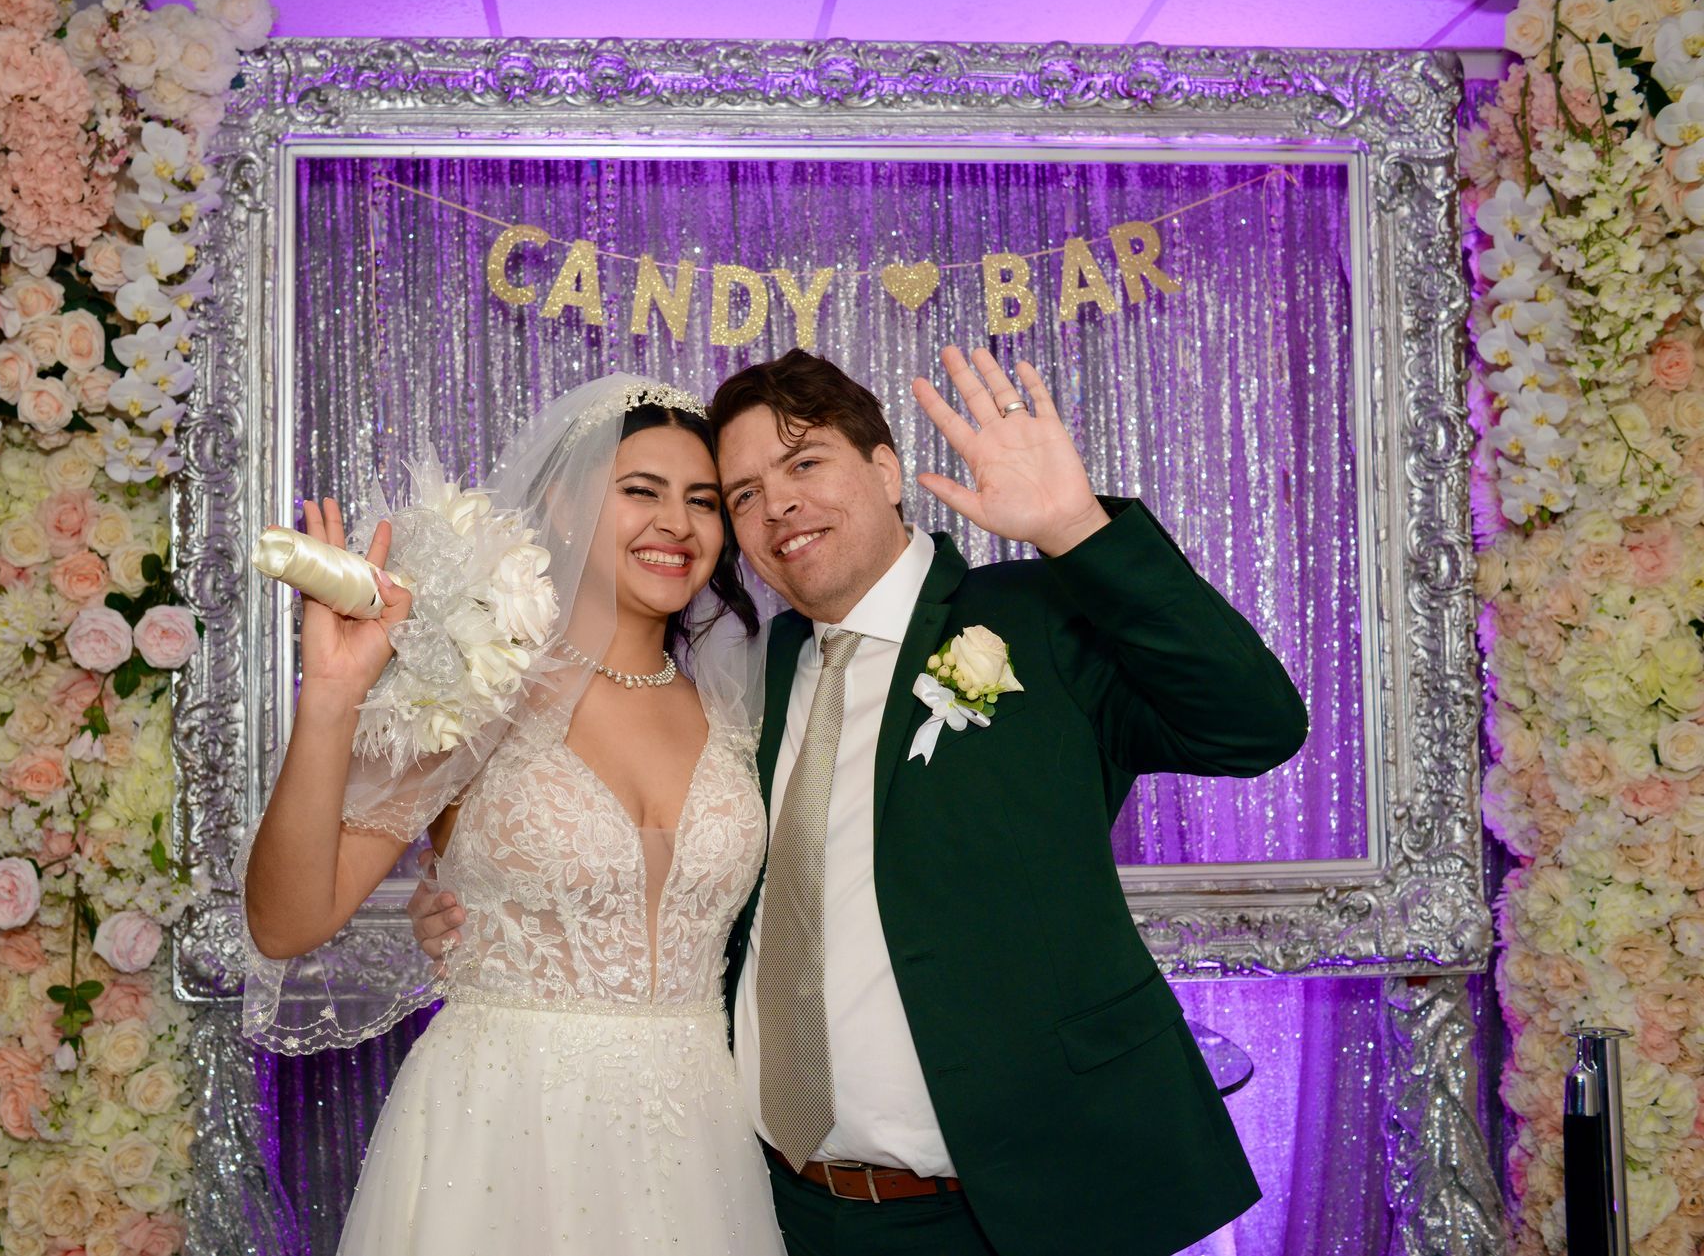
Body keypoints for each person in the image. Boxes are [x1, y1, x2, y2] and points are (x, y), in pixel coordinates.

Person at [414, 346, 1309, 1256]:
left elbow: (1253, 726)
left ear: (885, 469)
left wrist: (1077, 526)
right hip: (774, 1204)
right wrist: (487, 897)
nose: (780, 506)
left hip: (1023, 1208)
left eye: (804, 463)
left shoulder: (1038, 617)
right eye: (746, 494)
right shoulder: (748, 670)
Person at [241, 374, 786, 1255]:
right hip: (501, 1132)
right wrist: (332, 702)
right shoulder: (477, 682)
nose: (676, 525)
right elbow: (285, 919)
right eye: (640, 491)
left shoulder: (739, 711)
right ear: (564, 505)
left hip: (700, 1145)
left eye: (704, 501)